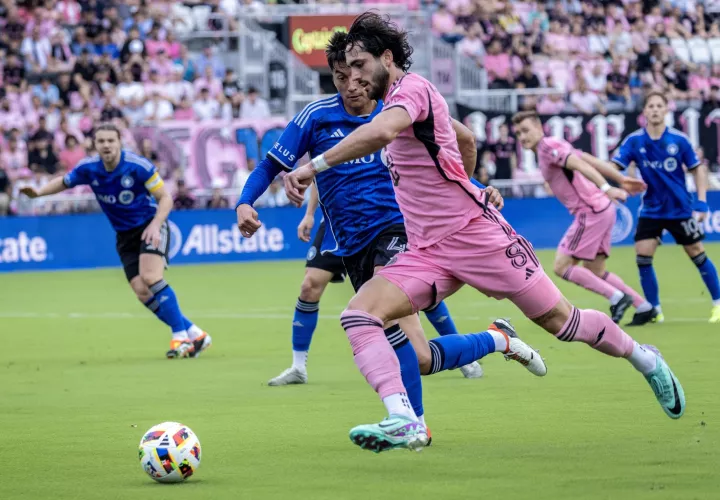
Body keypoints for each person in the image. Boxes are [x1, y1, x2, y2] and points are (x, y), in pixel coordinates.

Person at [284, 13, 686, 453]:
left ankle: (645, 358)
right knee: (360, 315)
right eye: (348, 68)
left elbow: (381, 133)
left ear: (386, 57)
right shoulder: (395, 102)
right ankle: (403, 420)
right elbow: (468, 140)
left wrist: (311, 166)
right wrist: (466, 184)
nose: (354, 76)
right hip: (428, 252)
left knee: (563, 323)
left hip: (481, 240)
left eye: (360, 65)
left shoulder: (412, 91)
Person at [236, 32, 523, 425]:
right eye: (339, 77)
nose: (350, 85)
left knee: (391, 317)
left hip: (400, 231)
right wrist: (244, 202)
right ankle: (497, 339)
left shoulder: (401, 108)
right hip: (351, 242)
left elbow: (450, 152)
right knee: (419, 356)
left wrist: (475, 189)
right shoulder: (316, 117)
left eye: (355, 74)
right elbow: (270, 165)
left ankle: (412, 424)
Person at [19, 123, 211, 359]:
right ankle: (195, 334)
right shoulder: (89, 168)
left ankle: (181, 337)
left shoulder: (138, 167)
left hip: (151, 226)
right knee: (141, 290)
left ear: (120, 142)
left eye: (111, 140)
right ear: (95, 144)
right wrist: (38, 193)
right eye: (101, 141)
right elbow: (64, 182)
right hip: (124, 235)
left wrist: (155, 224)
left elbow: (165, 198)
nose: (106, 145)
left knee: (151, 277)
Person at [511, 111, 654, 324]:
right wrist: (621, 179)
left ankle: (617, 297)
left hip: (590, 211)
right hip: (602, 209)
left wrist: (607, 187)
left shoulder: (548, 148)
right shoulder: (554, 144)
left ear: (539, 128)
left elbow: (581, 165)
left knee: (561, 266)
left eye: (526, 130)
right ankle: (643, 306)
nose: (522, 137)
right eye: (518, 133)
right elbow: (588, 159)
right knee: (595, 270)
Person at [609, 91, 720, 325]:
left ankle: (718, 303)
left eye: (660, 105)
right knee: (643, 256)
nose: (656, 109)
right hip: (650, 210)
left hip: (679, 208)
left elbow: (697, 169)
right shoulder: (634, 141)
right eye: (651, 106)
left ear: (666, 110)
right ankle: (655, 310)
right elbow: (614, 166)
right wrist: (609, 183)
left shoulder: (679, 140)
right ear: (645, 111)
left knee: (697, 253)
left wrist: (700, 202)